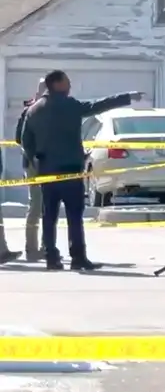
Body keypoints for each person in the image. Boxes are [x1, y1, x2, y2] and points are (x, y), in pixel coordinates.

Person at [20, 70, 143, 271]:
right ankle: (78, 257)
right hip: (70, 170)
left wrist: (36, 161)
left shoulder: (33, 110)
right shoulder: (70, 105)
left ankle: (51, 258)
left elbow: (26, 142)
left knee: (49, 216)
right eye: (67, 82)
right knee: (74, 217)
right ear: (57, 84)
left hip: (47, 171)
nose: (70, 86)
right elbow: (98, 105)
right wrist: (126, 97)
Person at [13, 78, 47, 261]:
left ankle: (46, 246)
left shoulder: (53, 109)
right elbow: (19, 138)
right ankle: (32, 249)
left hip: (51, 164)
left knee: (48, 206)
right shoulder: (30, 110)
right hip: (34, 164)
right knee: (36, 204)